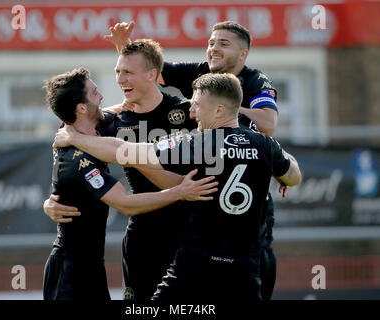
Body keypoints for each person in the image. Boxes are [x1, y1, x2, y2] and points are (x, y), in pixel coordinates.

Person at [53, 73, 302, 300]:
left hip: (197, 265)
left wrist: (75, 137)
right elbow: (293, 176)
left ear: (219, 110)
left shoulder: (199, 143)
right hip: (245, 269)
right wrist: (279, 170)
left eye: (197, 105)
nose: (192, 112)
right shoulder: (266, 146)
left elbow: (124, 152)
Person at [106, 20, 282, 299]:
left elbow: (269, 125)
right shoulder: (199, 72)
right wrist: (123, 48)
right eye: (211, 42)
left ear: (243, 54)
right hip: (191, 230)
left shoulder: (255, 80)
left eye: (223, 43)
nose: (213, 48)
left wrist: (225, 112)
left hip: (245, 226)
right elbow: (147, 75)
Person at [43, 40, 201, 301]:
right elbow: (69, 142)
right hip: (142, 242)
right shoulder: (109, 126)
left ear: (152, 75)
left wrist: (278, 163)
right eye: (117, 72)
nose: (116, 82)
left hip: (189, 235)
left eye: (125, 72)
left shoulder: (187, 113)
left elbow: (231, 132)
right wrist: (50, 201)